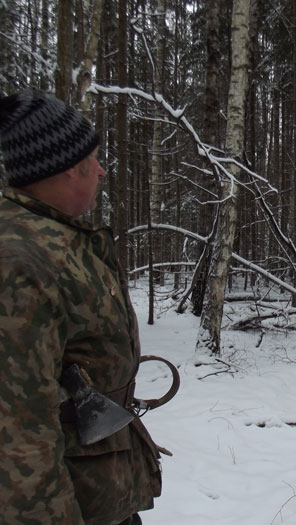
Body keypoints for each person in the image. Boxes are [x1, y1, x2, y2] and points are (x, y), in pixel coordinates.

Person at [0, 89, 163, 524]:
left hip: (98, 498)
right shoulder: (20, 261)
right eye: (94, 160)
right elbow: (17, 434)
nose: (103, 170)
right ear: (70, 169)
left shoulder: (54, 240)